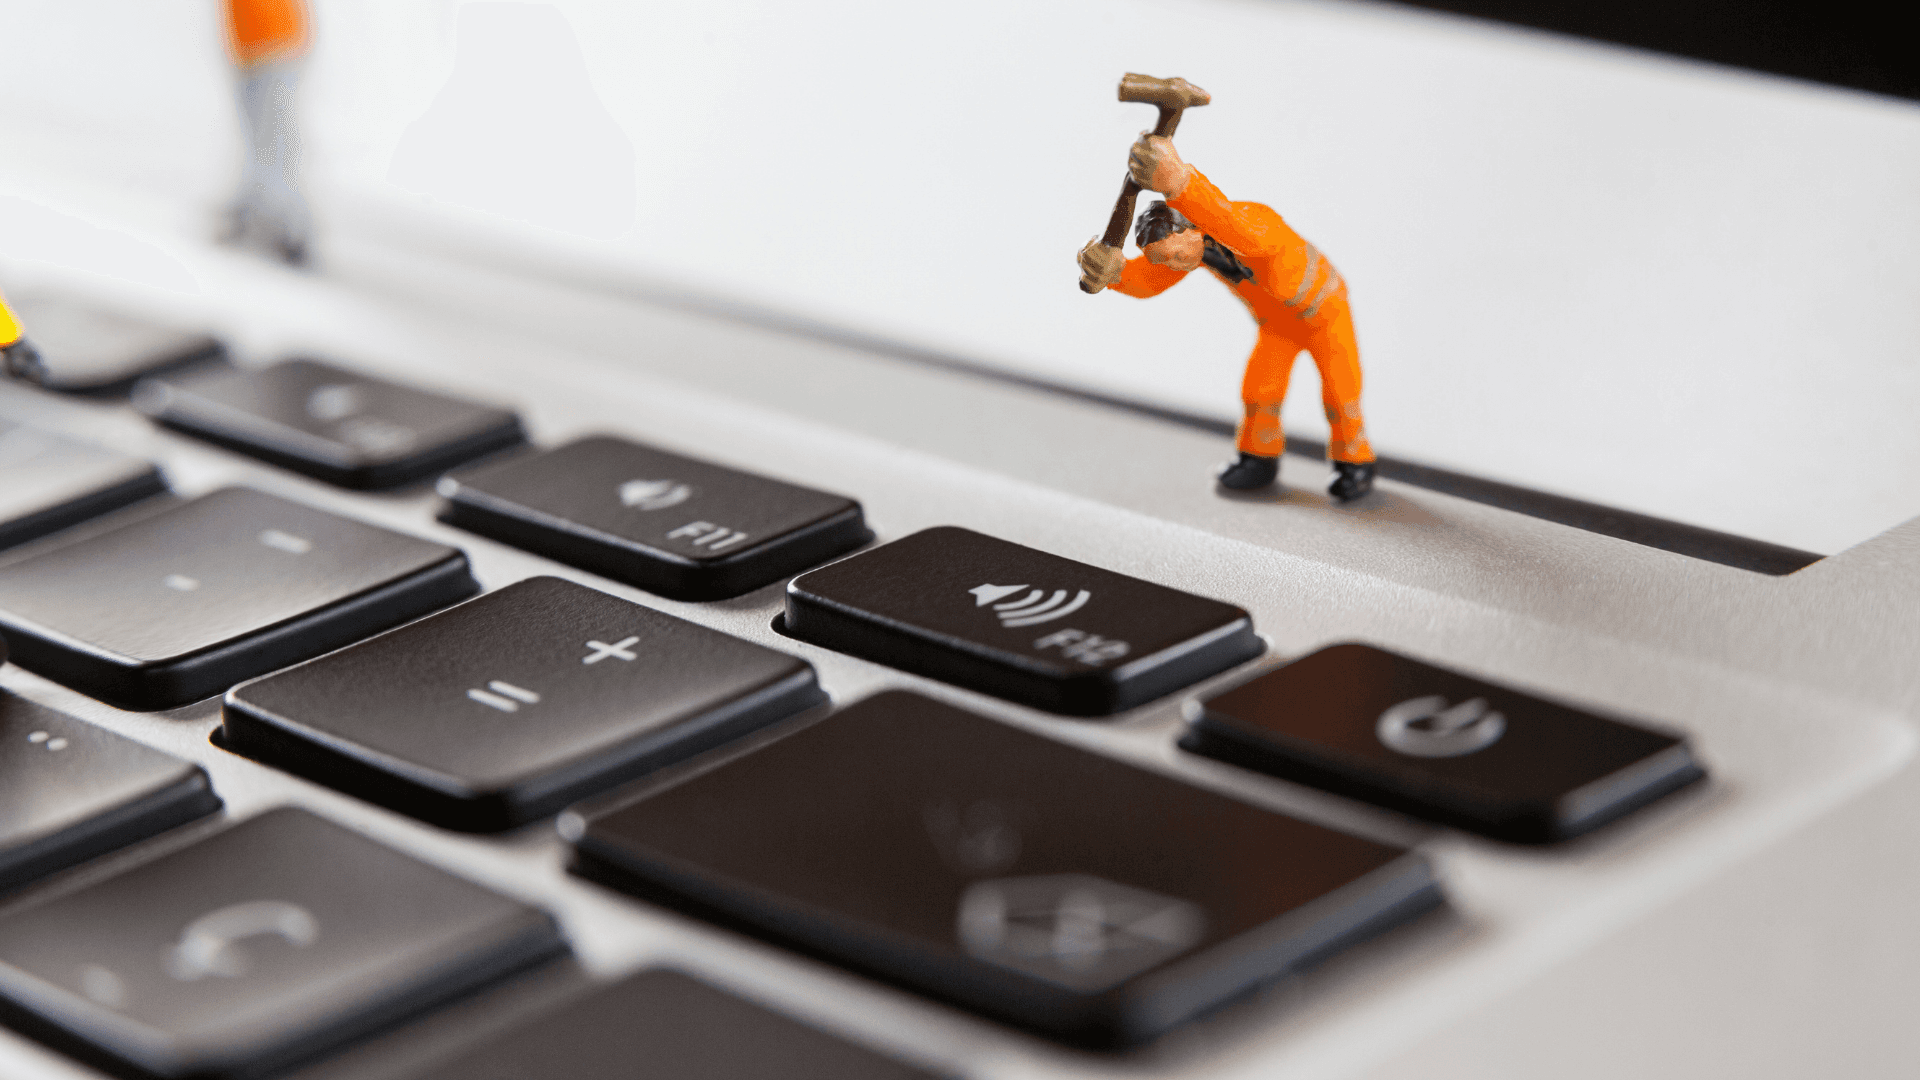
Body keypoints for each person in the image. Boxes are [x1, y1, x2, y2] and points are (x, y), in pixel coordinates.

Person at [1078, 134, 1376, 500]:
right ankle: (1258, 458)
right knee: (1259, 390)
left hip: (1325, 313)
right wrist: (1115, 274)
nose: (1173, 264)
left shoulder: (1251, 222)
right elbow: (1149, 280)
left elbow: (1234, 226)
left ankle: (1355, 461)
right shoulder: (1191, 248)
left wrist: (1181, 183)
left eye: (1173, 255)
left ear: (1191, 229)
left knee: (1340, 391)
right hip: (1279, 325)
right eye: (1164, 259)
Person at [222, 0, 313, 264]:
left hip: (274, 45)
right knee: (260, 144)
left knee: (274, 144)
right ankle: (251, 209)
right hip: (250, 49)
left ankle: (292, 228)